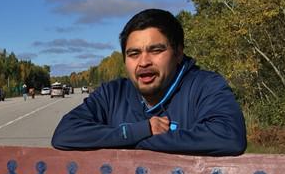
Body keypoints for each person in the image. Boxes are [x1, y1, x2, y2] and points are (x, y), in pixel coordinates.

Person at [51, 9, 247, 156]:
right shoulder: (111, 94)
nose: (144, 62)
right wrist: (141, 130)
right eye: (134, 53)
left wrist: (129, 142)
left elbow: (228, 136)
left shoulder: (204, 86)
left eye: (156, 50)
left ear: (178, 53)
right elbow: (65, 134)